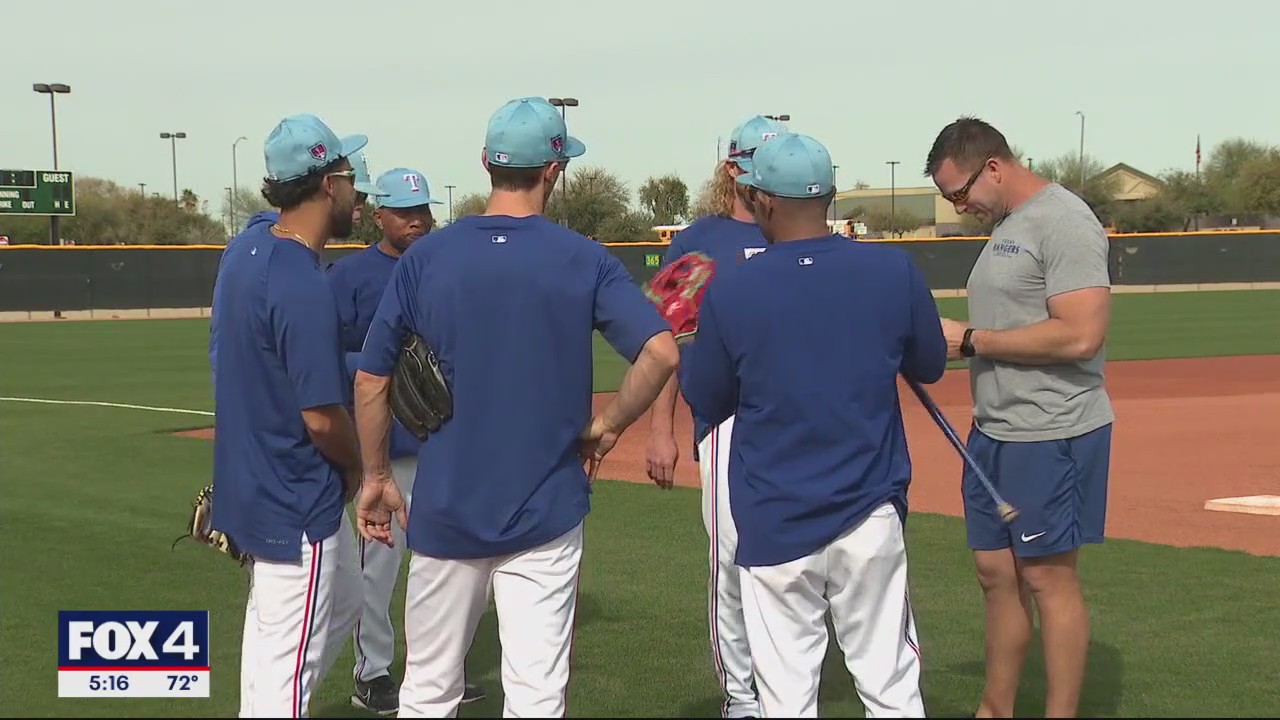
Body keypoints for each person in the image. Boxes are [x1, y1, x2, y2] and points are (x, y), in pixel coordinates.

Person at [350, 96, 680, 717]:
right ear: (554, 171)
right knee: (535, 696)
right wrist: (605, 427)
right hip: (546, 509)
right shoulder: (582, 258)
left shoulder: (425, 257)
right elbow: (661, 355)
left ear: (484, 163)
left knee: (426, 692)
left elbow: (371, 379)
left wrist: (374, 477)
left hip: (445, 507)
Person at [681, 132, 947, 718]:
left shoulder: (733, 287)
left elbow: (706, 396)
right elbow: (929, 364)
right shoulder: (891, 270)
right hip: (869, 510)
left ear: (762, 201)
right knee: (892, 686)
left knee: (787, 697)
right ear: (828, 195)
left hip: (774, 515)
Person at [924, 116, 1114, 719]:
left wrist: (973, 340)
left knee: (1047, 581)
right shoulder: (1010, 223)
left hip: (1052, 430)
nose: (959, 208)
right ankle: (994, 710)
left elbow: (1081, 336)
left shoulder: (1064, 221)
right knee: (994, 574)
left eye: (960, 194)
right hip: (994, 431)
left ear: (995, 167)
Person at [209, 112, 368, 718]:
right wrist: (357, 470)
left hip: (252, 482)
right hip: (297, 498)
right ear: (328, 184)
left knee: (335, 606)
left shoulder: (245, 246)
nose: (357, 188)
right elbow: (323, 419)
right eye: (348, 173)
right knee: (286, 668)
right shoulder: (304, 283)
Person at [325, 166, 487, 714]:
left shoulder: (445, 268)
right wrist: (382, 365)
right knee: (379, 571)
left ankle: (439, 671)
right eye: (405, 212)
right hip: (386, 454)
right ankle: (372, 673)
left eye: (424, 211)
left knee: (448, 565)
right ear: (379, 216)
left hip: (442, 445)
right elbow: (324, 356)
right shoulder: (348, 278)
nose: (418, 221)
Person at [645, 113, 786, 719]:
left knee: (797, 561)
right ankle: (741, 694)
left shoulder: (801, 233)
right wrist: (661, 429)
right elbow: (663, 342)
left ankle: (785, 684)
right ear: (734, 169)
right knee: (730, 560)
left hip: (796, 419)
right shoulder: (696, 243)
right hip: (724, 422)